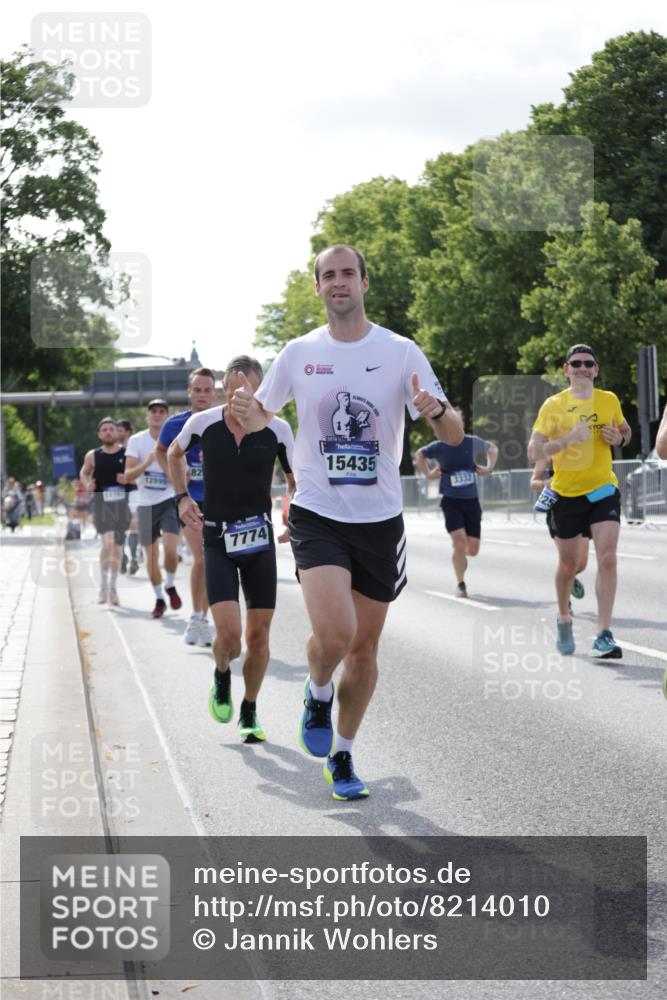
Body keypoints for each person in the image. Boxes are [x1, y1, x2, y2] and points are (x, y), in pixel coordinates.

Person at [229, 244, 463, 799]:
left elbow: (453, 434)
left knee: (363, 651)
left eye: (347, 274)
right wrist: (246, 413)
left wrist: (436, 412)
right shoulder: (298, 352)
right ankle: (316, 689)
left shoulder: (401, 351)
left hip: (380, 520)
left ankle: (343, 754)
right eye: (328, 275)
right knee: (336, 635)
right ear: (318, 288)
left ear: (363, 282)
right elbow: (262, 415)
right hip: (317, 512)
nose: (339, 283)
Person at [168, 356, 295, 743]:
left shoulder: (278, 429)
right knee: (229, 637)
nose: (241, 395)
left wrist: (294, 514)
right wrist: (182, 498)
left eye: (249, 388)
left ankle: (250, 709)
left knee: (259, 638)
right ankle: (222, 675)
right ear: (224, 388)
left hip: (260, 542)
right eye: (234, 387)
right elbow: (174, 455)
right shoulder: (202, 423)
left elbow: (296, 479)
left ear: (260, 390)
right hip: (217, 539)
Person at [528, 344, 631, 659]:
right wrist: (567, 440)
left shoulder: (609, 399)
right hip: (567, 494)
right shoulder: (553, 405)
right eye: (577, 363)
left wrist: (621, 438)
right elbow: (534, 451)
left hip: (602, 490)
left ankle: (603, 633)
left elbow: (625, 431)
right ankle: (563, 617)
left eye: (589, 364)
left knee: (608, 557)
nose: (583, 368)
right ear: (566, 369)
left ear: (596, 370)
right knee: (570, 564)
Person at [156, 368, 217, 647]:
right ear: (189, 392)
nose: (203, 395)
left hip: (221, 500)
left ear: (215, 392)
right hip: (189, 500)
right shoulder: (174, 424)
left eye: (208, 390)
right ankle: (196, 618)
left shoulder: (225, 421)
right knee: (202, 558)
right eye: (198, 389)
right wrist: (175, 475)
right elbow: (161, 451)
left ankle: (204, 617)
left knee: (214, 562)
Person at [415, 408, 497, 597]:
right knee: (459, 541)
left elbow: (492, 448)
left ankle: (461, 558)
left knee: (473, 549)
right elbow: (419, 454)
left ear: (461, 424)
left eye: (457, 422)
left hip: (471, 501)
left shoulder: (471, 442)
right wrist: (428, 474)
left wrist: (488, 468)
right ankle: (461, 583)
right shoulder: (439, 446)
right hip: (451, 501)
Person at [123, 400, 182, 618]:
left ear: (166, 416)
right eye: (153, 412)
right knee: (151, 555)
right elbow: (127, 476)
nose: (157, 415)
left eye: (162, 412)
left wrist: (169, 468)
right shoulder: (137, 440)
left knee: (170, 547)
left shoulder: (175, 439)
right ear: (147, 416)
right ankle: (159, 598)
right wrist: (149, 461)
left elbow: (182, 471)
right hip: (145, 504)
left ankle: (170, 584)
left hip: (168, 500)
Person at [80, 418, 131, 605]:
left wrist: (128, 479)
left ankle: (112, 587)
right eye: (104, 430)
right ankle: (103, 586)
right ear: (99, 434)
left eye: (111, 429)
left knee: (117, 548)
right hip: (102, 506)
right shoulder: (93, 455)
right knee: (108, 543)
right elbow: (84, 473)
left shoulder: (127, 454)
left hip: (121, 506)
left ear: (117, 433)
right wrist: (87, 484)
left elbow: (135, 476)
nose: (108, 432)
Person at [530, 457, 589, 610]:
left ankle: (568, 579)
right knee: (569, 561)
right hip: (559, 509)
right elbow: (534, 482)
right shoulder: (548, 450)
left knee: (581, 563)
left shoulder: (584, 445)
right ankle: (565, 604)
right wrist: (546, 483)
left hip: (584, 506)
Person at [115, 419, 141, 574]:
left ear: (128, 431)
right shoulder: (112, 449)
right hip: (116, 492)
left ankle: (133, 558)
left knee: (133, 523)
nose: (117, 433)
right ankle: (122, 556)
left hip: (133, 489)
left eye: (120, 430)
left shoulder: (135, 446)